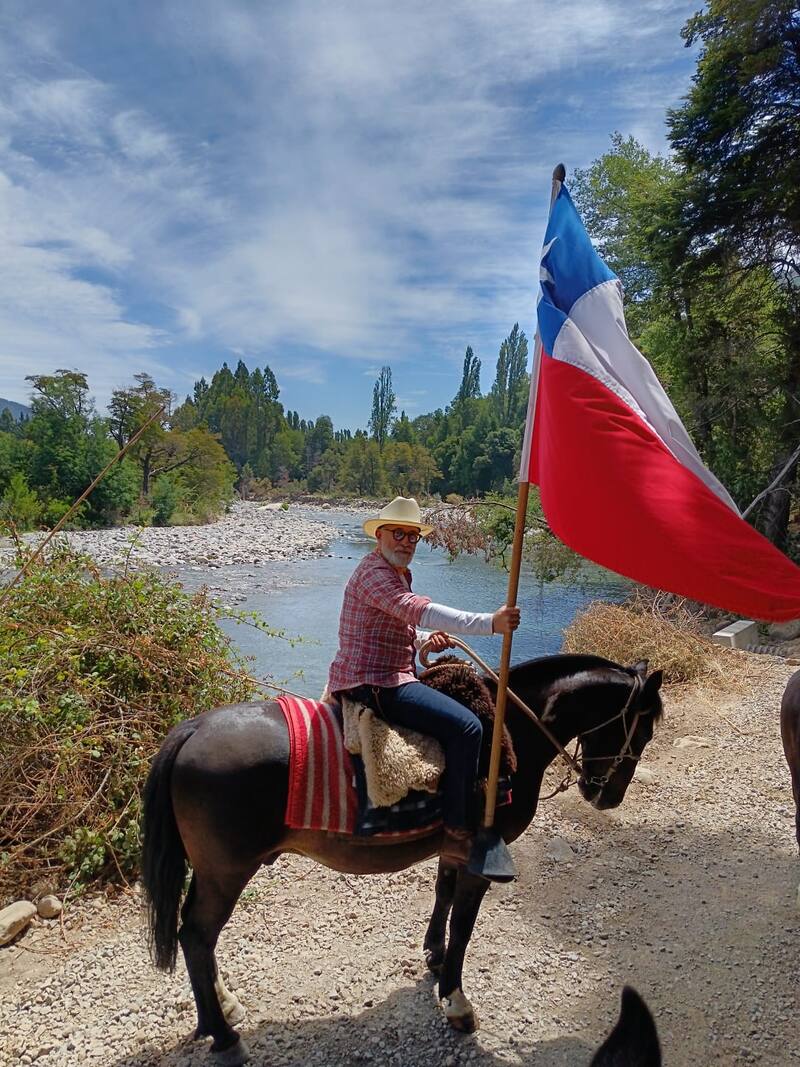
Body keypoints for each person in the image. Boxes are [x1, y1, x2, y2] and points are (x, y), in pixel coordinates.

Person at [328, 496, 520, 863]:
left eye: (412, 536)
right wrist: (489, 624)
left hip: (386, 673)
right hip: (377, 682)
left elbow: (400, 620)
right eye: (397, 533)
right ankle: (457, 832)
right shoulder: (375, 574)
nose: (405, 541)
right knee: (467, 728)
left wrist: (420, 640)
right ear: (379, 536)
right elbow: (416, 609)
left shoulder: (395, 572)